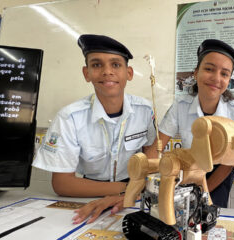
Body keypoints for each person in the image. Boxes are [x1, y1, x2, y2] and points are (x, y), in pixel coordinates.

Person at [73, 39, 234, 224]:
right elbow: (155, 149)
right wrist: (134, 187)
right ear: (196, 73)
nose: (216, 78)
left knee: (208, 220)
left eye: (224, 73)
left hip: (218, 174)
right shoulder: (180, 106)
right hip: (189, 169)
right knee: (177, 218)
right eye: (209, 69)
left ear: (229, 80)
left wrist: (200, 192)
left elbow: (230, 163)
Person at [32, 34, 155, 198]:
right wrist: (126, 189)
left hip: (134, 196)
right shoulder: (70, 117)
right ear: (86, 73)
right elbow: (62, 184)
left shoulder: (145, 111)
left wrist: (136, 189)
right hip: (89, 192)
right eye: (97, 65)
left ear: (129, 73)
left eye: (116, 64)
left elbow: (152, 160)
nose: (107, 72)